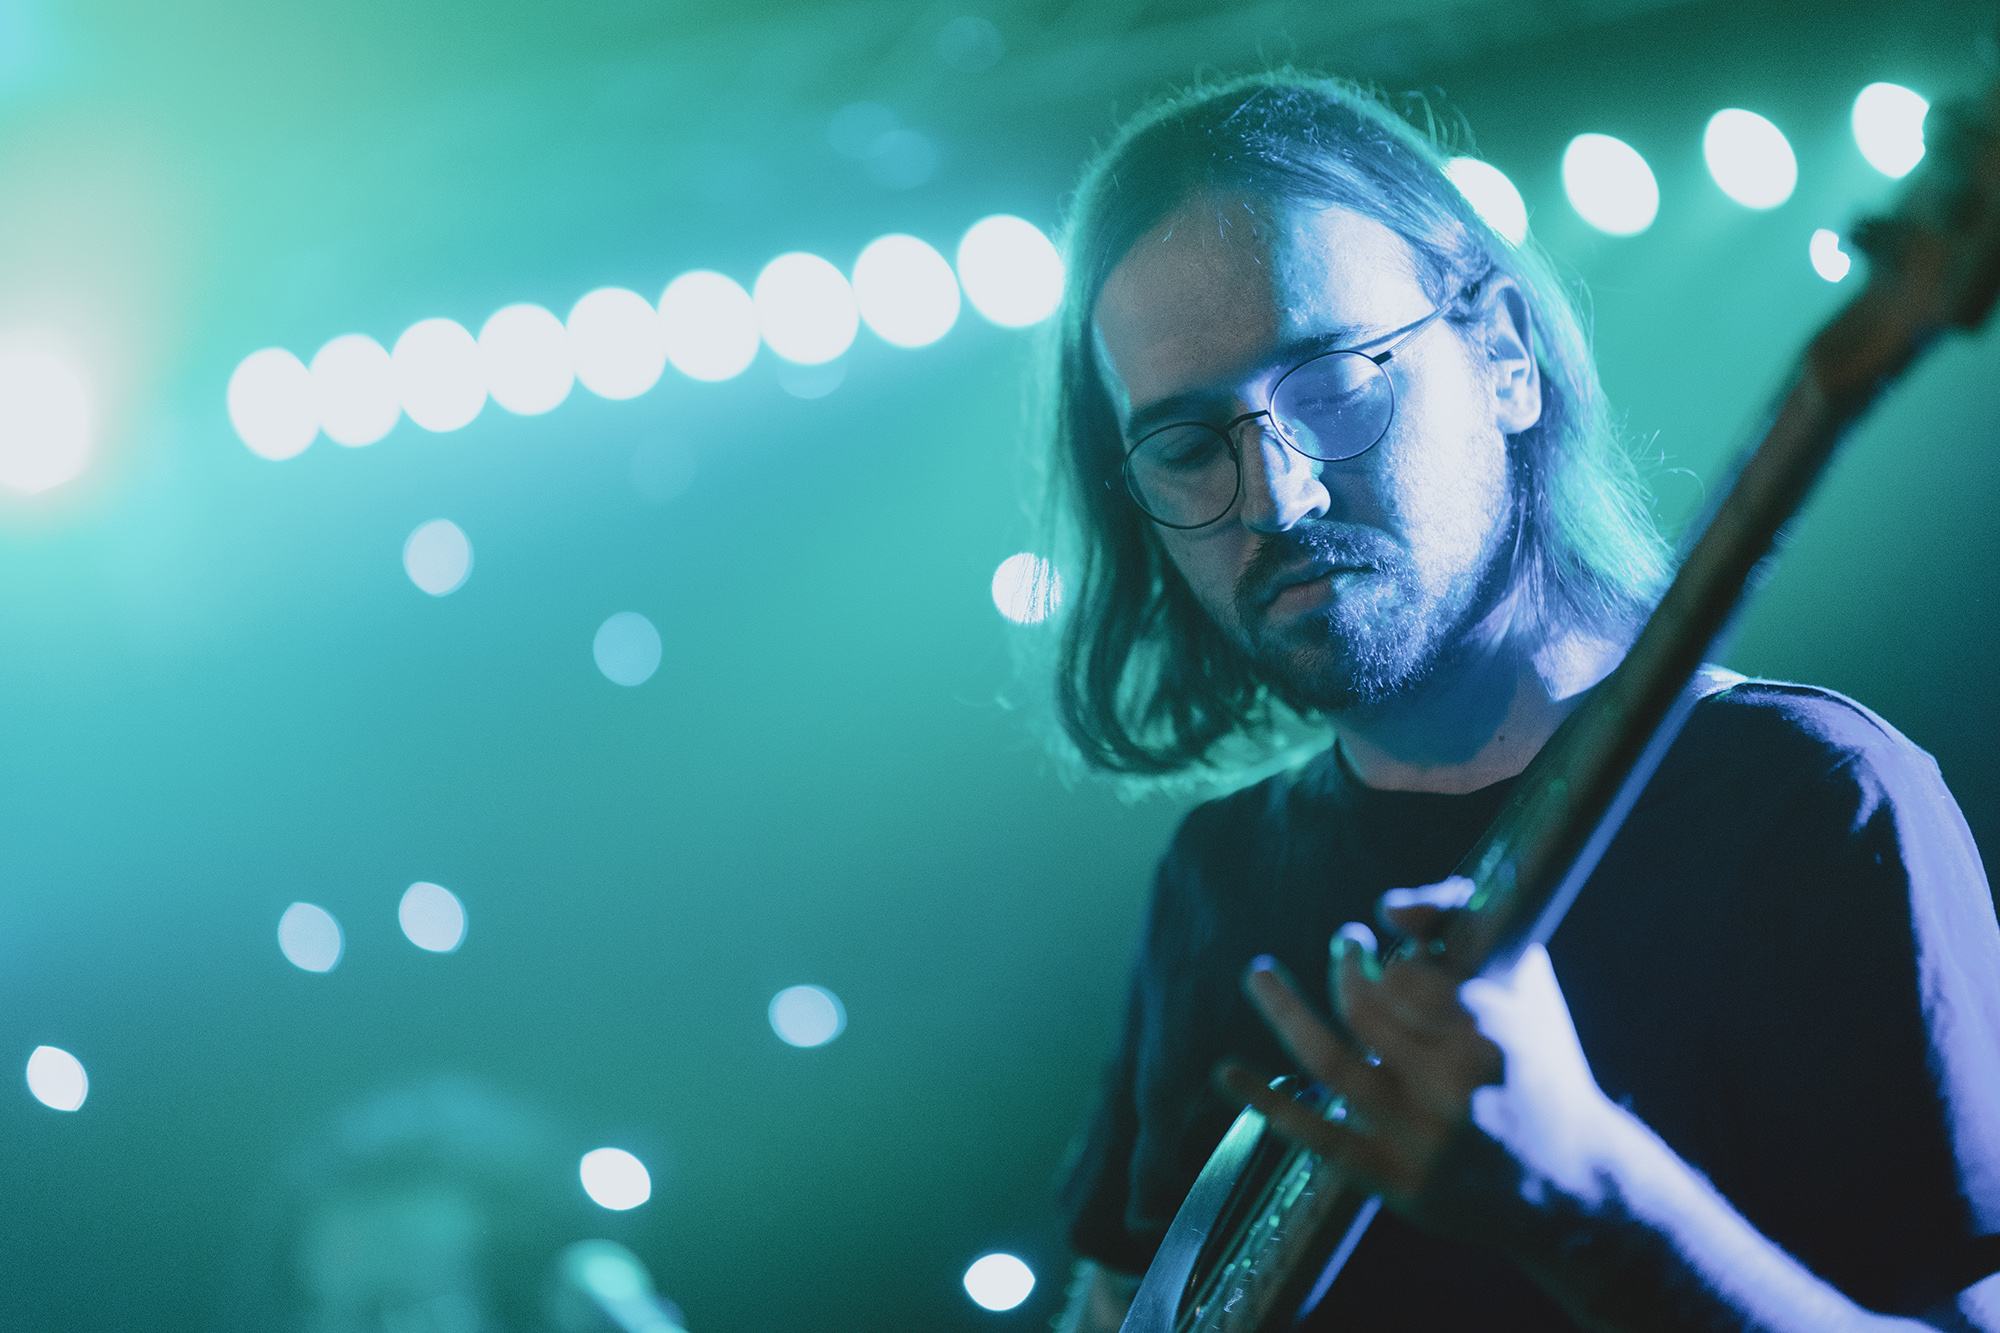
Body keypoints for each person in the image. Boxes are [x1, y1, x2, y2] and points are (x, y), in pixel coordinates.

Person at [1041, 73, 2000, 1331]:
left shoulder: (1805, 799)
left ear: (1502, 354)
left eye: (1330, 384)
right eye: (1182, 446)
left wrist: (1591, 1201)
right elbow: (1117, 1298)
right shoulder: (1214, 876)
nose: (1277, 496)